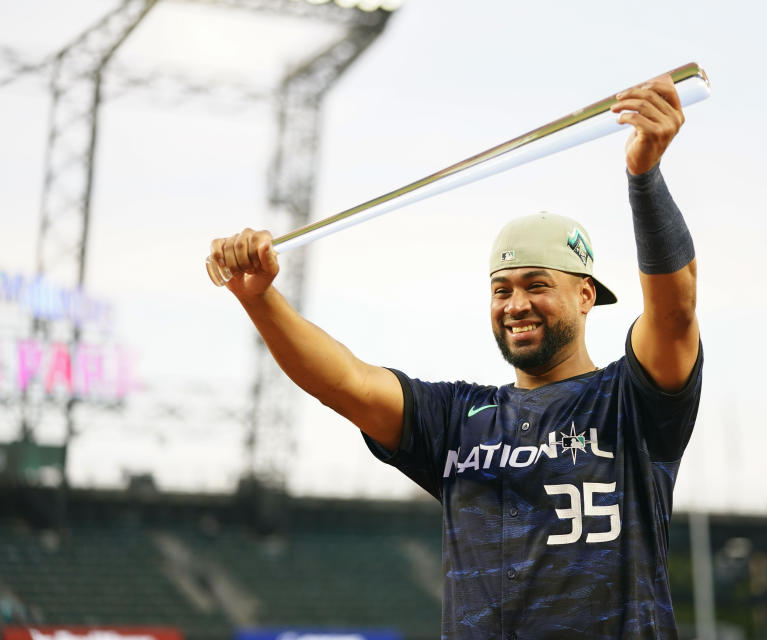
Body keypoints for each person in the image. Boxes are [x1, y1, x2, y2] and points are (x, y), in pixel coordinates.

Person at [209, 76, 702, 639]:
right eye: (502, 289)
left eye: (537, 284)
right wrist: (260, 299)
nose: (517, 304)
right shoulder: (459, 422)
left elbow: (675, 314)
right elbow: (345, 383)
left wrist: (645, 178)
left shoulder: (629, 402)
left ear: (585, 294)